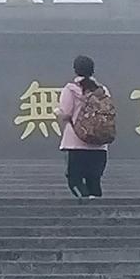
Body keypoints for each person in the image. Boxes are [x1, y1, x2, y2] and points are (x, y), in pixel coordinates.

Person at [55, 55, 109, 199]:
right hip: (99, 144)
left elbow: (65, 113)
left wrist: (56, 112)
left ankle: (84, 207)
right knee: (94, 182)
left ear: (75, 70)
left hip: (76, 144)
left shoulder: (71, 89)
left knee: (75, 181)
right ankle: (97, 214)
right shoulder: (103, 90)